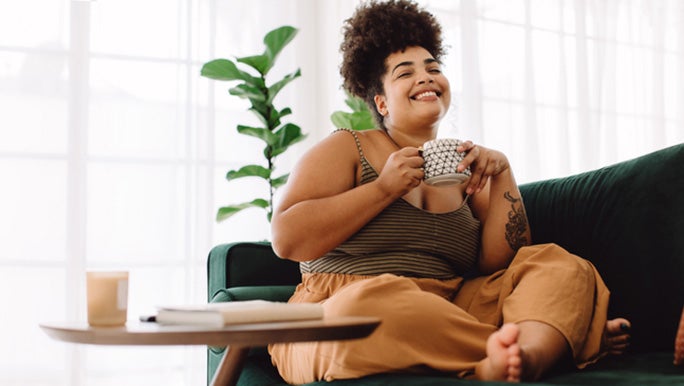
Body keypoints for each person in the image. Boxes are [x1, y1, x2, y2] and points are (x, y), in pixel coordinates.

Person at [268, 0, 630, 383]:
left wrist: (502, 172)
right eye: (405, 73)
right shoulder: (347, 148)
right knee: (373, 305)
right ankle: (551, 342)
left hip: (451, 306)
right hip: (338, 308)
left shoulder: (461, 167)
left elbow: (500, 261)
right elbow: (287, 240)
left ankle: (520, 358)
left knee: (558, 265)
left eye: (433, 68)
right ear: (381, 102)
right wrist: (385, 188)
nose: (425, 78)